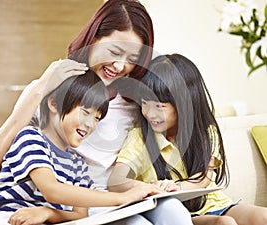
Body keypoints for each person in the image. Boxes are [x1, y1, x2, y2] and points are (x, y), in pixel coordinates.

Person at [0, 0, 195, 224]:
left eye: (132, 59)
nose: (119, 66)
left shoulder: (134, 103)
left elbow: (129, 165)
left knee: (174, 210)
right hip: (77, 206)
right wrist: (41, 86)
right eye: (115, 51)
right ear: (93, 38)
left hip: (114, 200)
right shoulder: (52, 93)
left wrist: (148, 187)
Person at [0, 69, 163, 225]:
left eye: (97, 118)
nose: (90, 124)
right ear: (54, 104)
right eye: (85, 112)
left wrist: (46, 212)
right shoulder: (30, 137)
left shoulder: (78, 164)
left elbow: (80, 215)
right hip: (5, 217)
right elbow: (51, 190)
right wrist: (123, 198)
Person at [108, 53, 267, 225]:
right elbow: (116, 181)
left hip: (215, 204)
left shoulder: (205, 131)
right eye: (145, 103)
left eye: (159, 106)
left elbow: (204, 177)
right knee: (225, 223)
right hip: (180, 215)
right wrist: (149, 188)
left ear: (184, 103)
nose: (150, 113)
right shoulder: (140, 138)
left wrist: (178, 187)